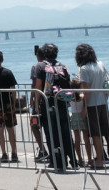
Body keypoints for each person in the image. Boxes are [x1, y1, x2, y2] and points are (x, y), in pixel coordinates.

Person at [74, 43, 109, 169]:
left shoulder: (84, 69)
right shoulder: (100, 64)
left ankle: (99, 160)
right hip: (103, 102)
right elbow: (108, 84)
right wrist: (105, 97)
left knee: (96, 134)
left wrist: (84, 107)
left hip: (92, 105)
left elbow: (86, 90)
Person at [33, 43, 74, 172]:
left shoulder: (40, 66)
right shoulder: (62, 66)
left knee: (51, 132)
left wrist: (36, 105)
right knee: (65, 132)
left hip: (48, 103)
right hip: (62, 102)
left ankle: (56, 161)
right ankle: (72, 160)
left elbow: (38, 87)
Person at [29, 44, 49, 162]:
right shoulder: (51, 66)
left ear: (37, 55)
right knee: (48, 126)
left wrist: (32, 99)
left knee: (34, 125)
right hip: (49, 100)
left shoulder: (36, 67)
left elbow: (34, 84)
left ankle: (42, 149)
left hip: (39, 101)